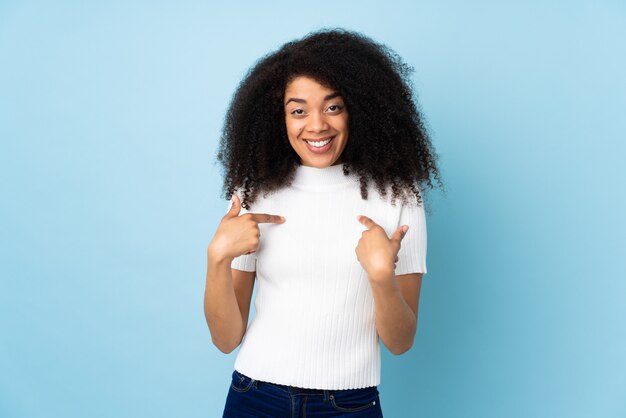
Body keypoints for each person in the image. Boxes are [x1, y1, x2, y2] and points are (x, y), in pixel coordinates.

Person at [204, 27, 443, 417]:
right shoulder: (256, 192)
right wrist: (216, 259)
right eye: (298, 110)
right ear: (277, 117)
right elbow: (226, 338)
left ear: (359, 108)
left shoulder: (399, 196)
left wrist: (382, 276)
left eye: (333, 107)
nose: (316, 125)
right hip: (254, 398)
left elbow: (400, 342)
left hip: (348, 404)